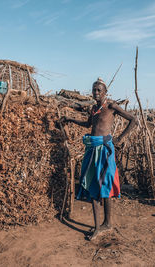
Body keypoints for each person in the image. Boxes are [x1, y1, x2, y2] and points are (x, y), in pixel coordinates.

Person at [61, 77, 138, 240]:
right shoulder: (94, 108)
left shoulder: (111, 105)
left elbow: (133, 120)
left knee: (104, 185)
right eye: (94, 90)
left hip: (105, 149)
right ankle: (101, 225)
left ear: (105, 92)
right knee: (95, 185)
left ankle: (104, 225)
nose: (95, 92)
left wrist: (119, 139)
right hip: (92, 147)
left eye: (99, 90)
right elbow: (89, 125)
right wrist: (70, 119)